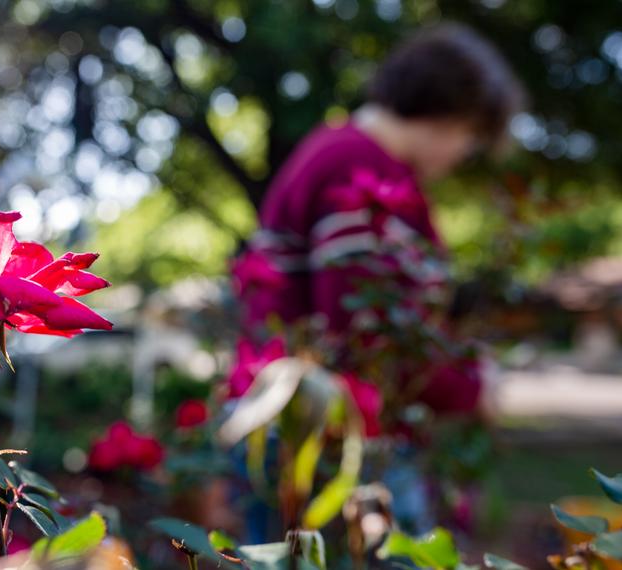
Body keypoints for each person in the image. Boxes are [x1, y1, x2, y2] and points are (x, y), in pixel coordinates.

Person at [227, 23, 524, 536]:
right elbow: (366, 333)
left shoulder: (353, 156)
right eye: (471, 137)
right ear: (449, 113)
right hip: (325, 442)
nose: (462, 155)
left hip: (314, 431)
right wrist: (471, 391)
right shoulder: (357, 166)